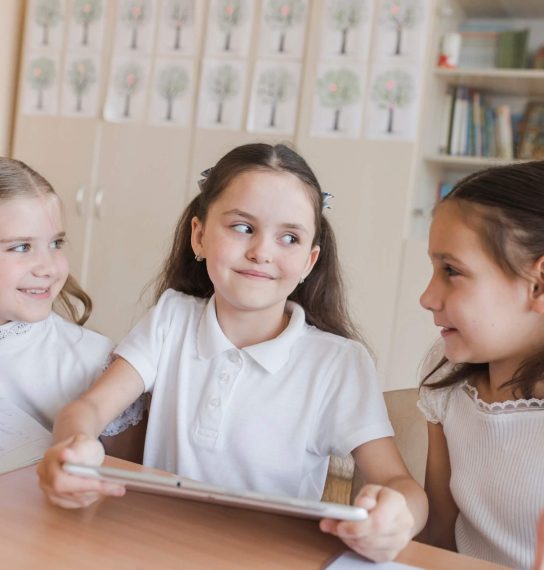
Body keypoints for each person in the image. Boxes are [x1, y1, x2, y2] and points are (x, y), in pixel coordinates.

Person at [38, 143, 427, 562]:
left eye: (289, 238)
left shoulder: (338, 364)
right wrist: (74, 447)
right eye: (243, 227)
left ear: (309, 262)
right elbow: (90, 408)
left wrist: (396, 517)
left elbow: (400, 485)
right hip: (152, 546)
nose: (262, 251)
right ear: (200, 235)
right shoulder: (171, 319)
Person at [417, 160, 544, 569]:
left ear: (543, 284)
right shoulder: (444, 373)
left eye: (451, 271)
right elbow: (438, 536)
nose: (427, 297)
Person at [0, 158, 144, 452]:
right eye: (21, 247)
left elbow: (126, 479)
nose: (49, 268)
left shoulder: (95, 364)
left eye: (56, 244)